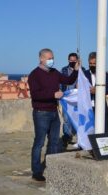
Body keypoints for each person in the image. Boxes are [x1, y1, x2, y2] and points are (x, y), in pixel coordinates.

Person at [28, 48, 79, 181]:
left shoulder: (54, 72)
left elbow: (68, 81)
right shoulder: (34, 75)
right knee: (39, 143)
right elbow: (35, 95)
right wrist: (53, 95)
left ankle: (51, 167)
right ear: (41, 59)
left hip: (54, 112)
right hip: (41, 113)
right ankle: (37, 171)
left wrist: (76, 70)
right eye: (49, 58)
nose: (52, 60)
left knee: (53, 142)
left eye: (52, 58)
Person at [84, 52, 108, 133]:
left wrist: (97, 91)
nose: (92, 65)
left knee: (103, 131)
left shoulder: (106, 75)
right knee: (88, 132)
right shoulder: (83, 74)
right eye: (90, 63)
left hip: (101, 107)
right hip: (87, 108)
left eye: (94, 63)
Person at [60, 53, 80, 148]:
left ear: (77, 60)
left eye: (74, 60)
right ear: (68, 60)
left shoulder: (82, 70)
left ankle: (77, 137)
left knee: (77, 119)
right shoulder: (64, 70)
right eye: (70, 60)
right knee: (66, 119)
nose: (72, 62)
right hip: (66, 99)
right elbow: (60, 83)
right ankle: (67, 137)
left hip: (78, 100)